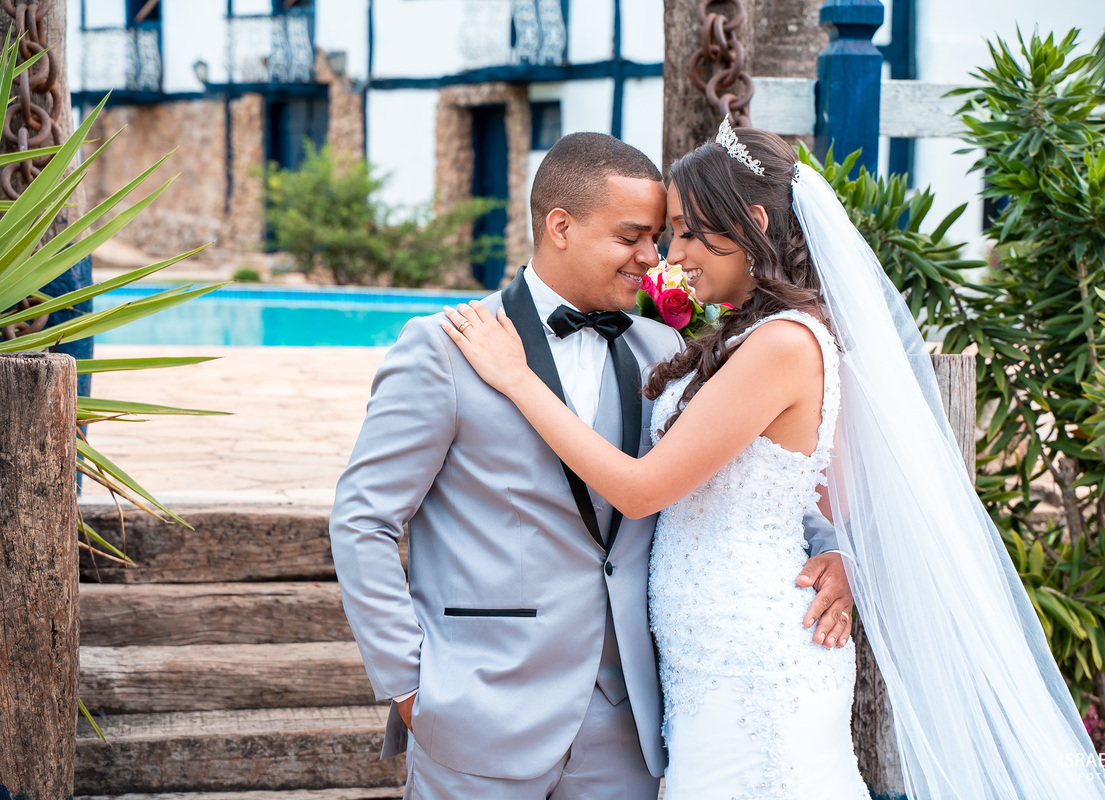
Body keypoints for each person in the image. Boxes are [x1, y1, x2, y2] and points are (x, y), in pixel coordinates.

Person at [441, 120, 1105, 799]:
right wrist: (846, 556)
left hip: (752, 659)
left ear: (753, 221)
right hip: (711, 654)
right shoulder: (758, 336)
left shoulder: (784, 344)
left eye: (683, 230)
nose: (668, 256)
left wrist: (517, 377)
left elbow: (643, 490)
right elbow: (834, 497)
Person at [329, 130, 854, 800]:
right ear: (560, 226)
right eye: (633, 236)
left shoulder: (664, 348)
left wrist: (833, 552)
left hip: (631, 730)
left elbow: (748, 473)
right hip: (479, 713)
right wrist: (411, 686)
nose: (654, 257)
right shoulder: (446, 348)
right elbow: (362, 522)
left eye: (662, 236)